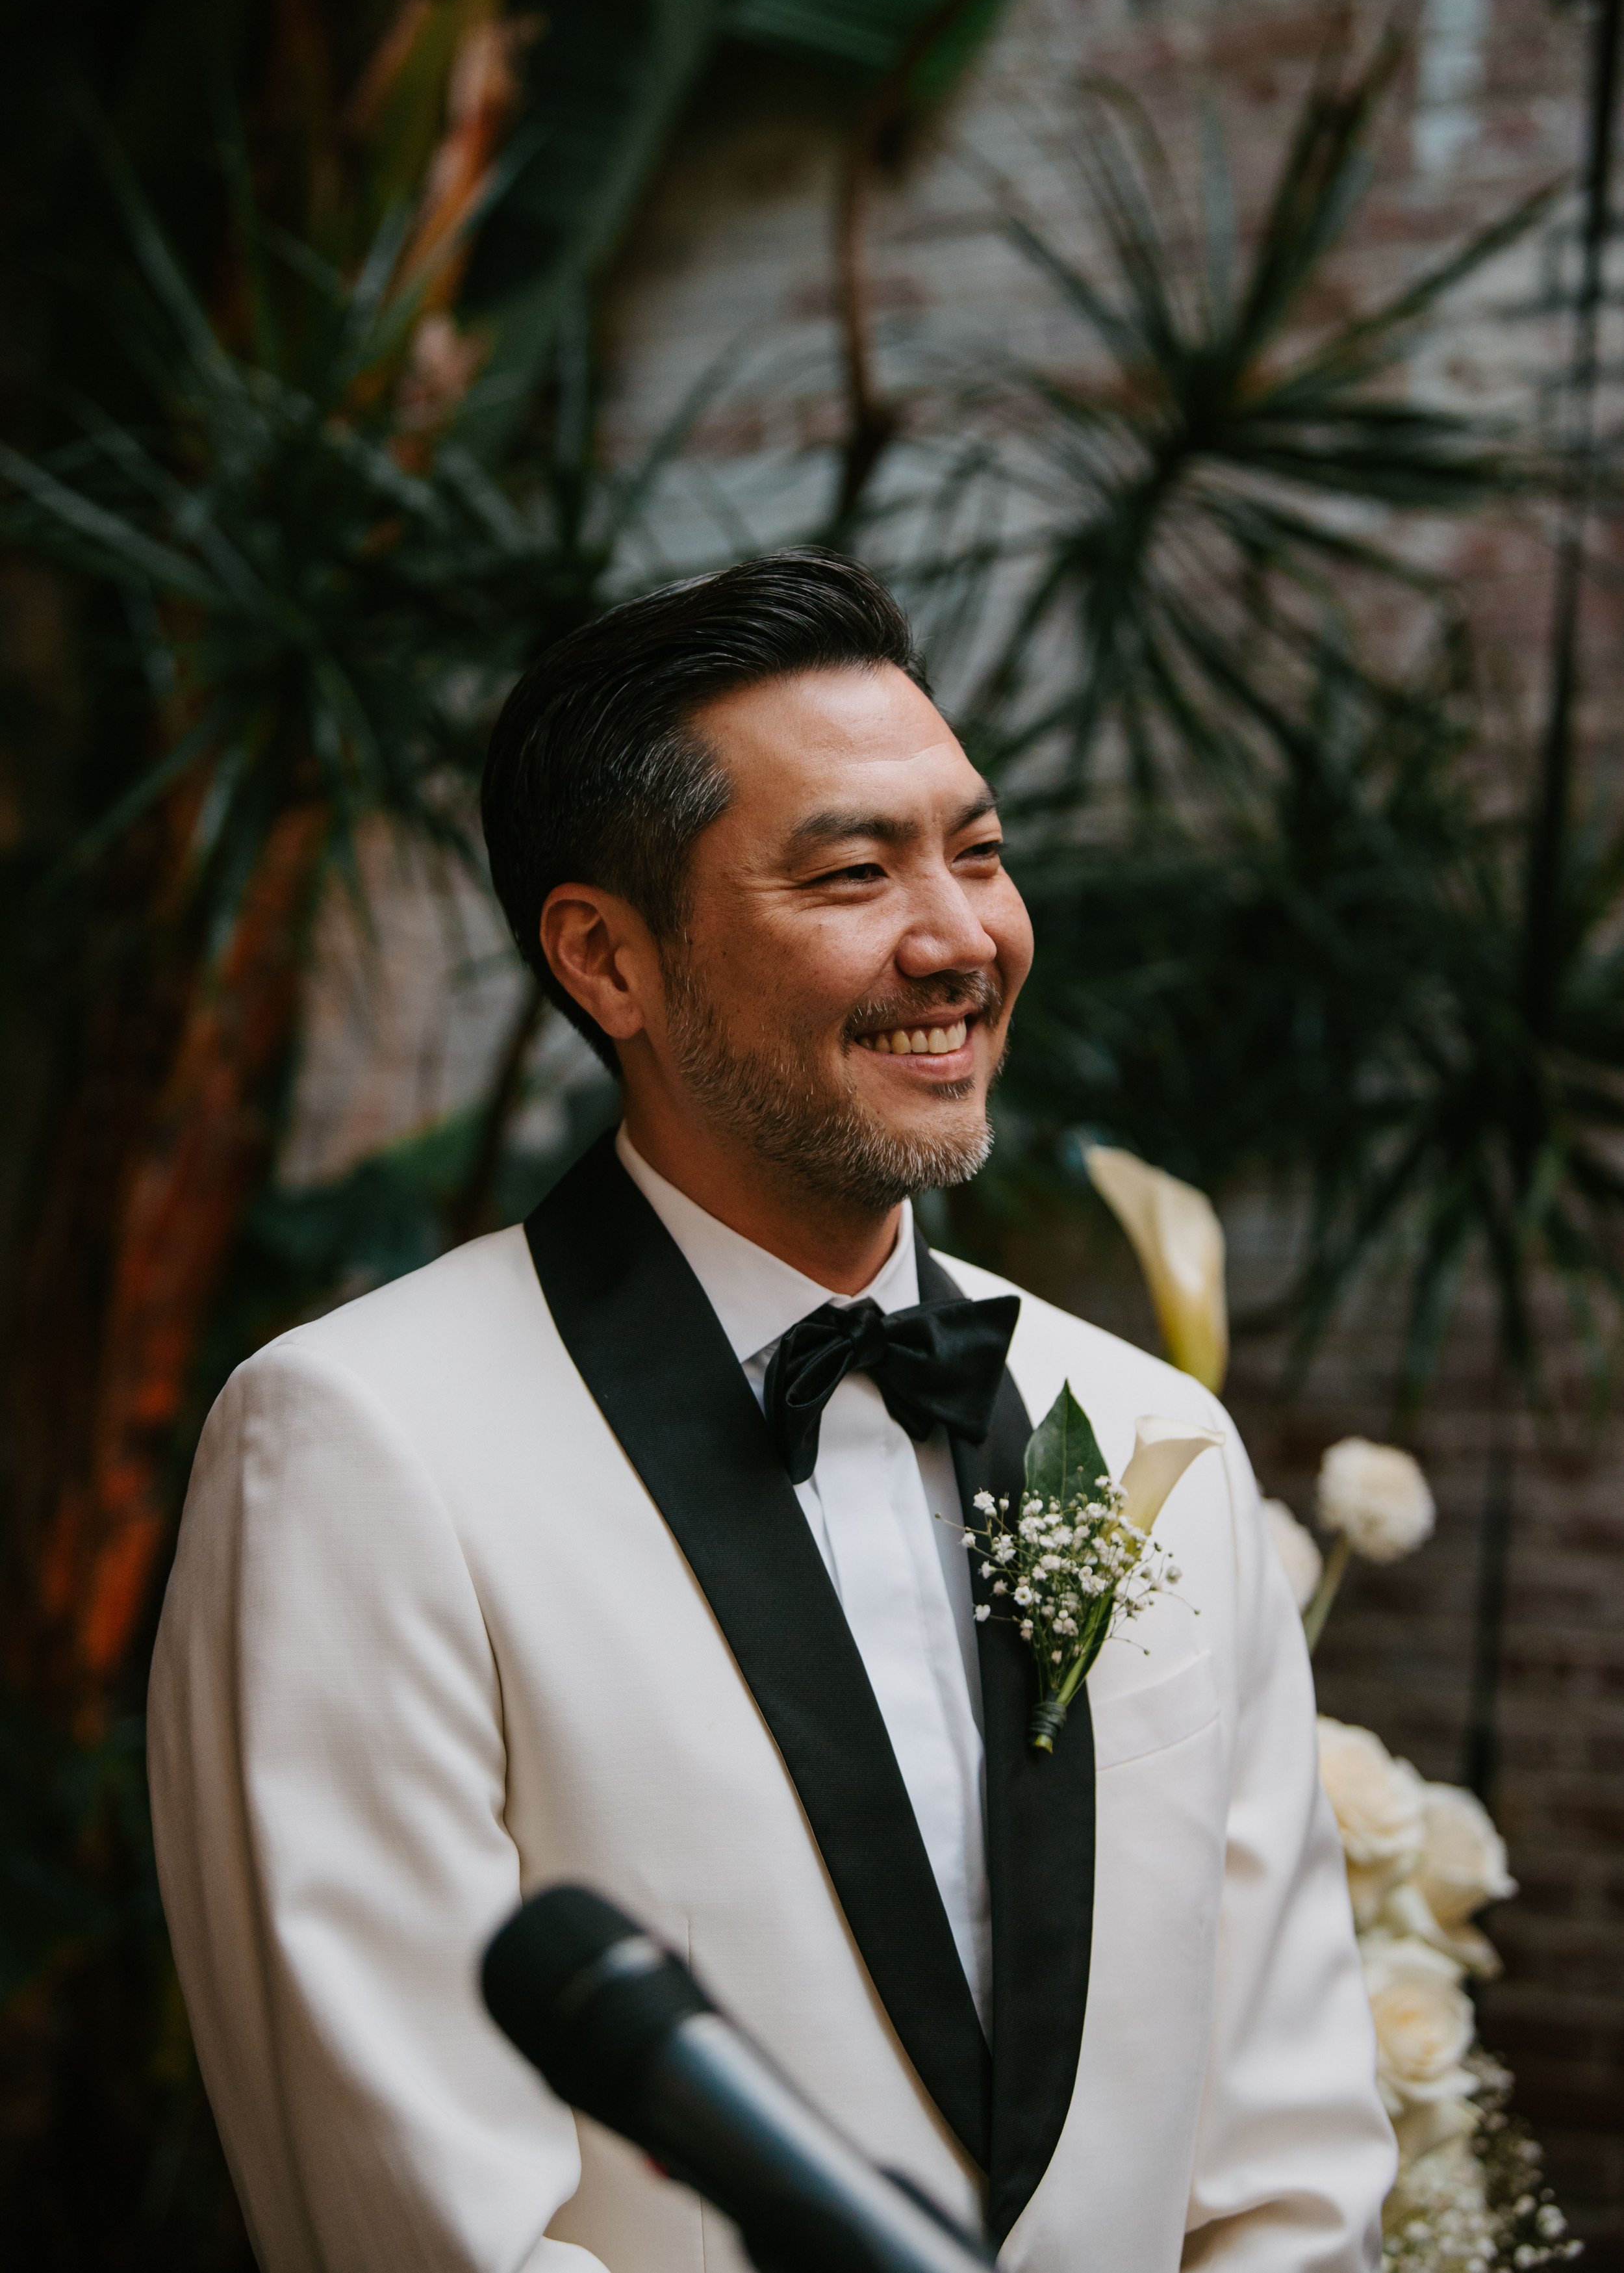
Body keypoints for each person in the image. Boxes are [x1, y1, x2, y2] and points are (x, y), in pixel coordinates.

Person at [149, 550, 1394, 2273]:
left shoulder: (1143, 1432)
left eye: (978, 851)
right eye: (854, 872)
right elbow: (430, 2227)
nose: (959, 937)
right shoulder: (359, 1445)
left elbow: (1291, 2158)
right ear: (608, 959)